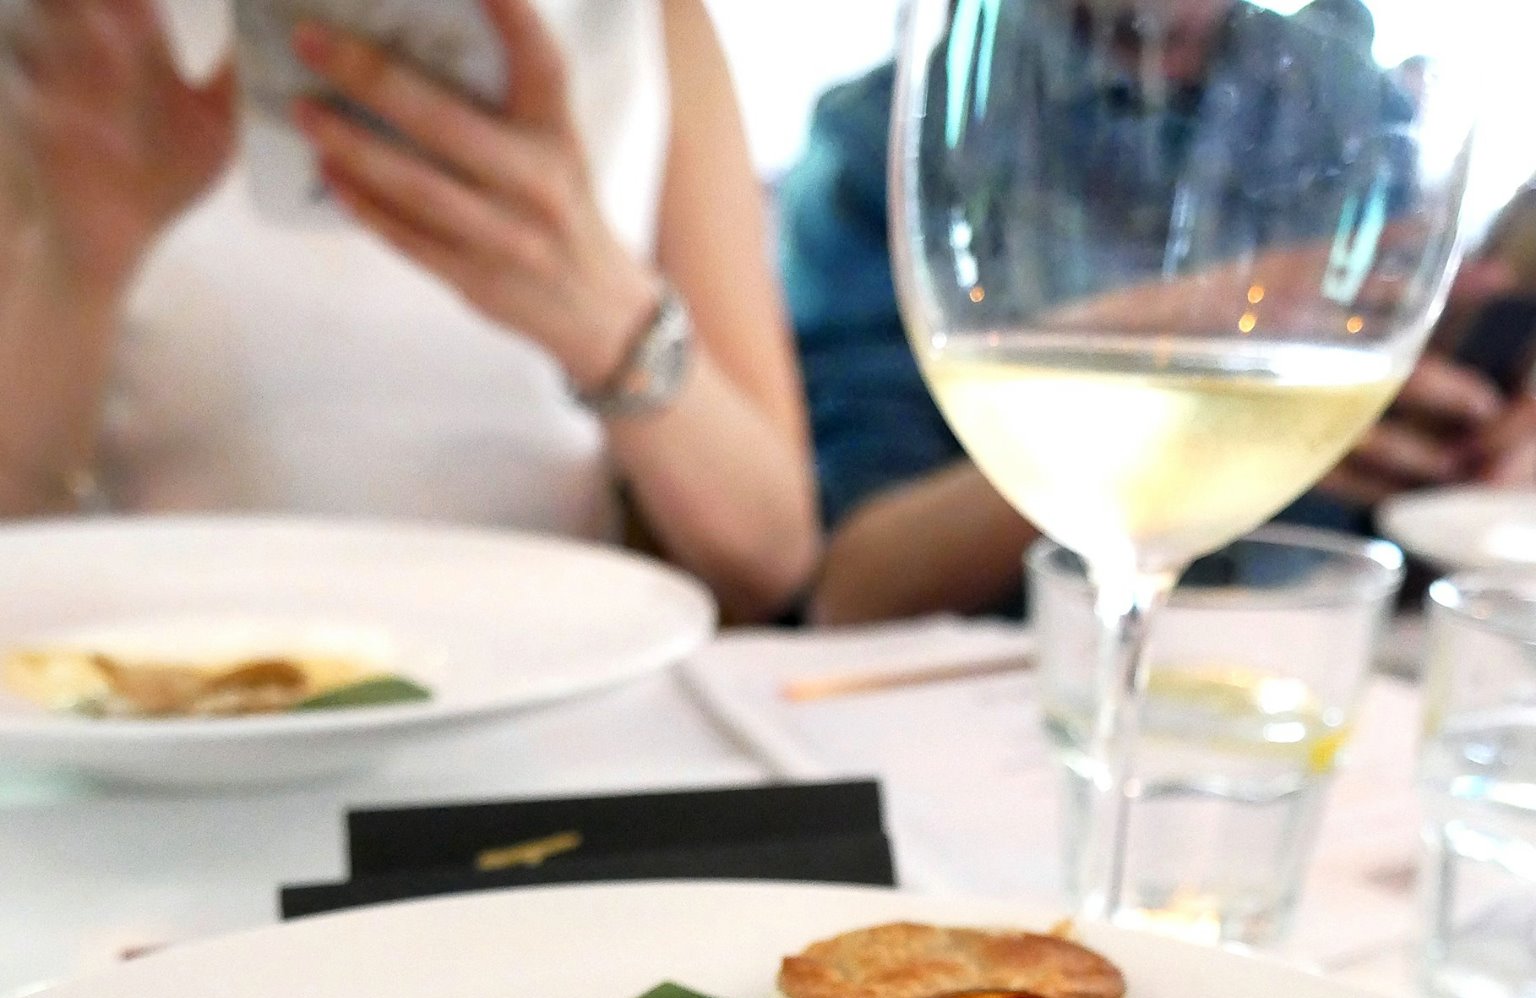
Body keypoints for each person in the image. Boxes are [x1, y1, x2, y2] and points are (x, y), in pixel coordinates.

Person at [0, 0, 818, 622]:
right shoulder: (74, 52)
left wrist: (602, 314)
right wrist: (79, 271)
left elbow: (772, 557)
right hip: (155, 711)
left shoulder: (651, 28)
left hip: (549, 716)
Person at [777, 50, 1536, 626]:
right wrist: (1189, 354)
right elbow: (850, 589)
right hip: (1003, 695)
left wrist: (1480, 438)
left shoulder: (1353, 102)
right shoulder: (897, 131)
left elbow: (1407, 518)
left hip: (1317, 678)